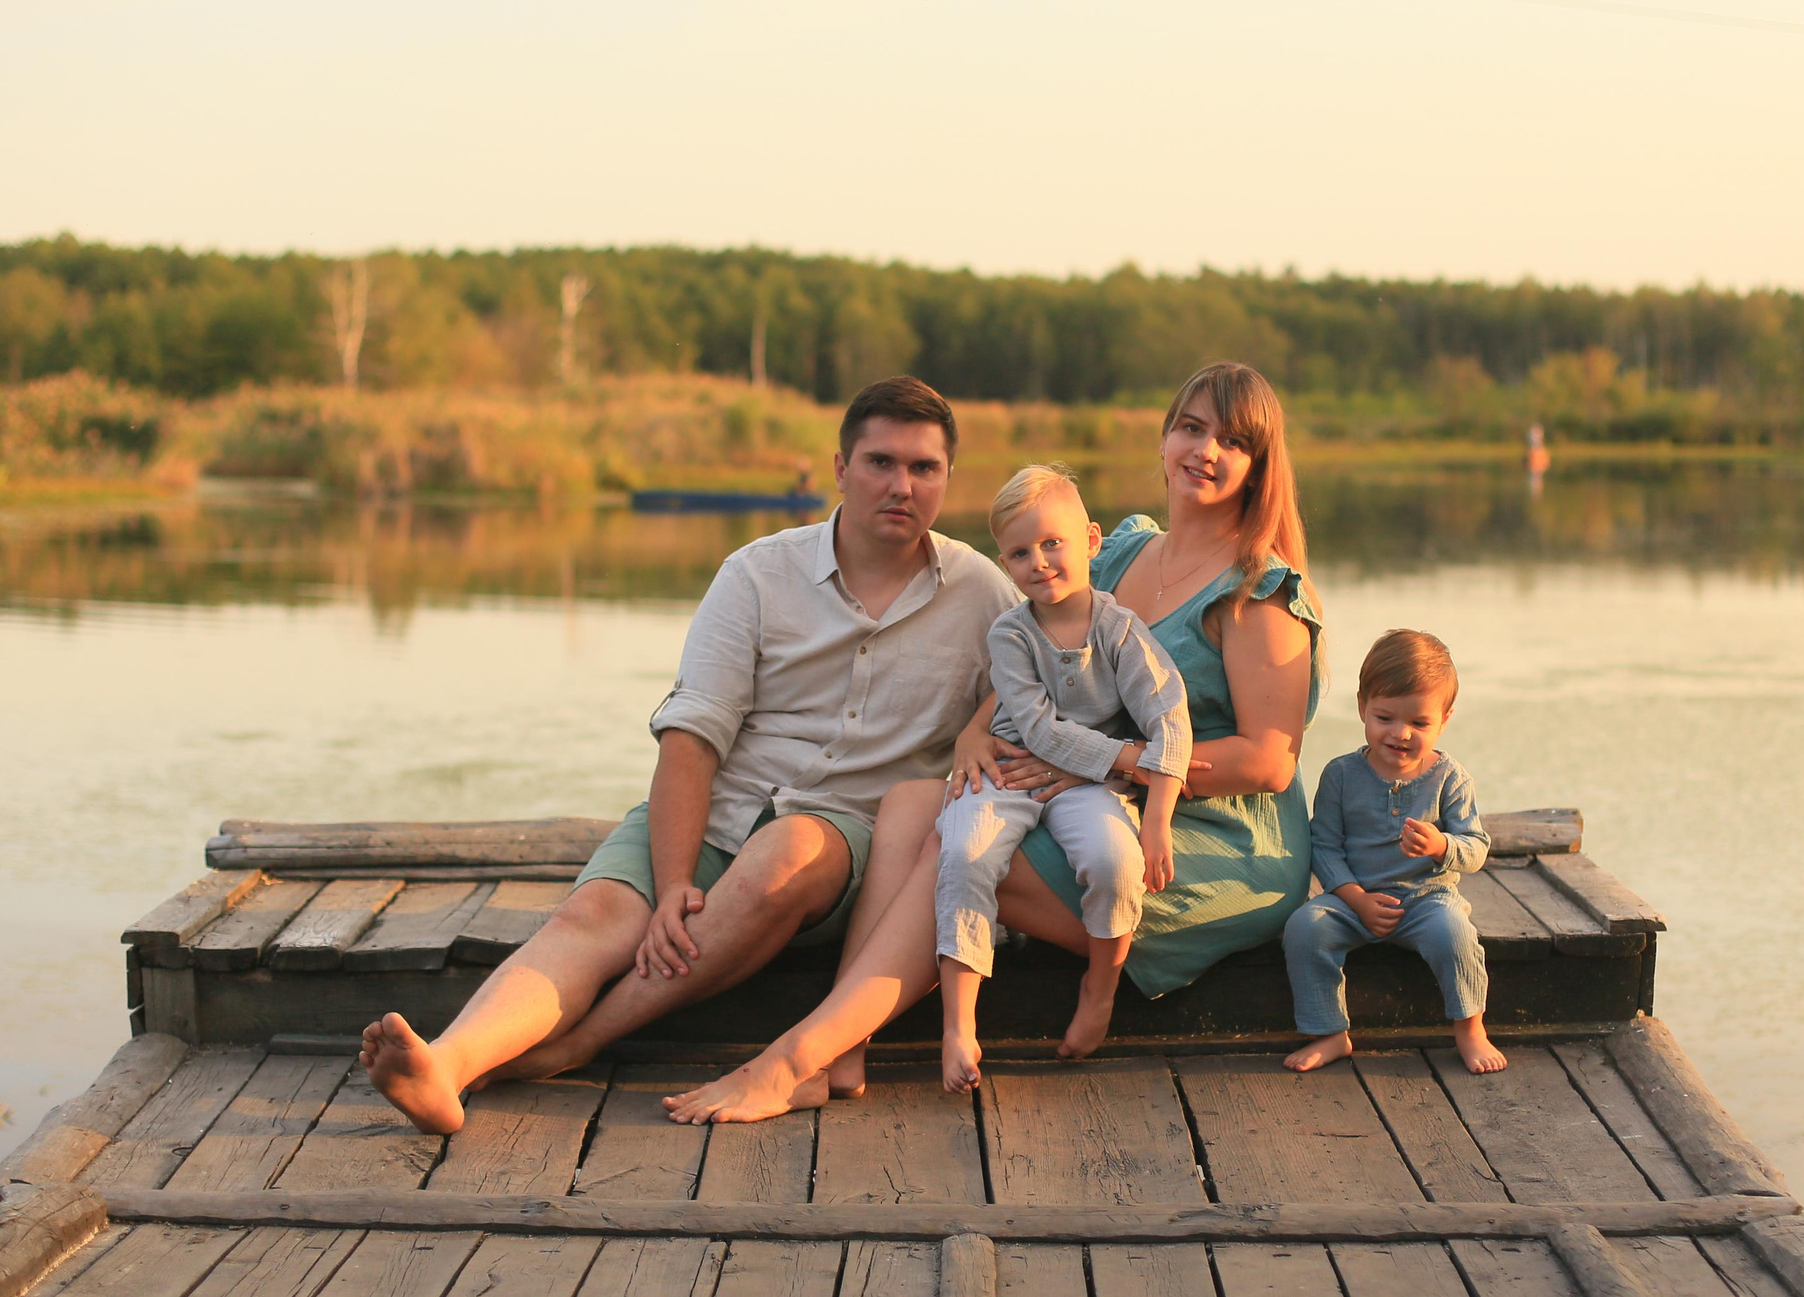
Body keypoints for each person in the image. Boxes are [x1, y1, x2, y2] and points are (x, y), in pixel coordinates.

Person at [660, 361, 1322, 1125]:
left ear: (1258, 464)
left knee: (965, 849)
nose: (1206, 450)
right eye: (1192, 427)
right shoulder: (1120, 551)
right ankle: (843, 1054)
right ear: (1167, 434)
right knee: (919, 796)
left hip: (1207, 833)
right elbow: (1022, 661)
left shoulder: (1257, 589)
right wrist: (977, 734)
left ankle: (789, 1061)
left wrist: (1101, 762)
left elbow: (1270, 762)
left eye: (1233, 441)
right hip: (1091, 790)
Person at [359, 376, 1018, 1134]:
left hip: (846, 845)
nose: (901, 485)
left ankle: (576, 1044)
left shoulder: (982, 594)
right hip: (717, 810)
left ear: (947, 478)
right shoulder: (756, 574)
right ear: (839, 467)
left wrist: (985, 728)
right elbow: (692, 737)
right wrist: (673, 879)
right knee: (595, 912)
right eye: (880, 462)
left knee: (787, 850)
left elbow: (1050, 687)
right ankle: (447, 1065)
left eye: (923, 468)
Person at [934, 464, 1192, 1091]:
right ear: (1006, 563)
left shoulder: (1120, 630)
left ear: (1092, 542)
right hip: (1014, 767)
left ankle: (1099, 989)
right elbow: (1041, 731)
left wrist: (1155, 817)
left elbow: (1172, 721)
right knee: (964, 853)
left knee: (1114, 861)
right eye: (1020, 553)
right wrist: (1126, 757)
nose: (1040, 562)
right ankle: (958, 1024)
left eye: (1053, 543)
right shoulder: (1010, 634)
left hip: (1087, 784)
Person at [1281, 629, 1506, 1076]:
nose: (1400, 734)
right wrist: (1356, 898)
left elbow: (1476, 847)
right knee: (1306, 927)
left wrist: (1442, 845)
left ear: (1444, 719)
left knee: (1454, 934)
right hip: (1355, 897)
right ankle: (1330, 1032)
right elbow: (1324, 845)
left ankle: (1470, 1028)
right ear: (1363, 705)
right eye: (1385, 717)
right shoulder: (1342, 775)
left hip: (1427, 898)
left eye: (1419, 724)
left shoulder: (1449, 778)